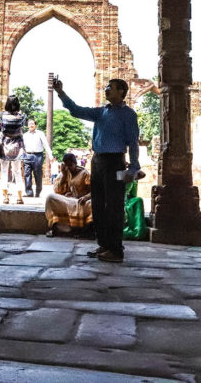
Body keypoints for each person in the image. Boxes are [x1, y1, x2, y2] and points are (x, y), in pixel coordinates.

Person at [54, 76, 139, 263]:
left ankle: (116, 250)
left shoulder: (128, 115)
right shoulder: (102, 112)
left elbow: (133, 143)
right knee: (98, 205)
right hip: (98, 161)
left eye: (111, 87)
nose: (107, 89)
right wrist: (61, 93)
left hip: (115, 161)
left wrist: (133, 168)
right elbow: (76, 111)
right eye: (107, 86)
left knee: (114, 206)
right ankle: (104, 244)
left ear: (121, 92)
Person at [43, 153, 91, 237]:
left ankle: (85, 231)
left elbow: (94, 191)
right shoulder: (64, 173)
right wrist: (64, 176)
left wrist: (86, 197)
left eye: (70, 165)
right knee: (50, 198)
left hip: (81, 202)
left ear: (75, 163)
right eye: (66, 165)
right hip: (68, 201)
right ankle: (60, 228)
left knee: (94, 203)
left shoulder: (85, 174)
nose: (69, 168)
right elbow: (57, 191)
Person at [0, 95, 27, 205]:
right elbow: (22, 126)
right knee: (17, 172)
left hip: (5, 147)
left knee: (4, 172)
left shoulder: (3, 115)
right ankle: (19, 198)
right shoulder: (21, 116)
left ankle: (5, 197)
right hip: (17, 148)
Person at [22, 117, 52, 198]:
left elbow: (46, 144)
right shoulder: (24, 135)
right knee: (26, 174)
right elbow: (22, 147)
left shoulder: (40, 133)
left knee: (38, 175)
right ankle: (29, 192)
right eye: (29, 124)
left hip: (38, 156)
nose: (31, 125)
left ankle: (38, 192)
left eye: (32, 124)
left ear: (35, 125)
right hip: (27, 156)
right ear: (27, 125)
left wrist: (50, 155)